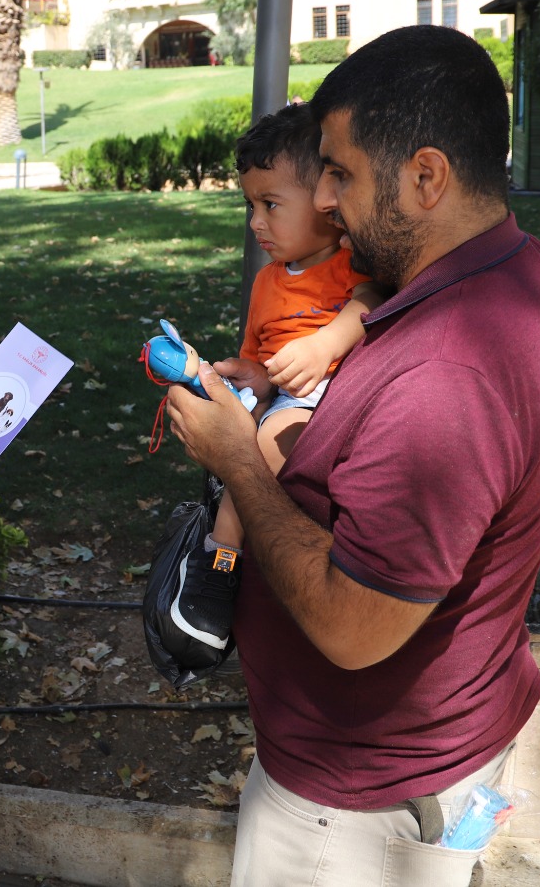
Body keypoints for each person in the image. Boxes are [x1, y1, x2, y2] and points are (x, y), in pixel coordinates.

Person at [164, 25, 540, 887]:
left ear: (426, 176)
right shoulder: (512, 274)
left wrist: (240, 461)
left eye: (343, 173)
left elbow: (357, 628)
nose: (323, 199)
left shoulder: (447, 375)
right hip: (415, 761)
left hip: (354, 813)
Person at [164, 105, 385, 664]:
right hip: (282, 399)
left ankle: (222, 564)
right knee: (232, 434)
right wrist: (248, 378)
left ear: (326, 204)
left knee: (258, 451)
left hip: (331, 398)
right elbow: (258, 357)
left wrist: (324, 345)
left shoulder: (350, 263)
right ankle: (219, 561)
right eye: (250, 205)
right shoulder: (266, 281)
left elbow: (371, 304)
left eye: (271, 205)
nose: (256, 222)